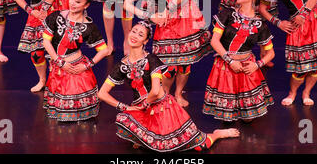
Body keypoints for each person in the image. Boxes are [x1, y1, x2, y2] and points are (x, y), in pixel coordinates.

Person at [98, 21, 240, 152]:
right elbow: (102, 93)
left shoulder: (151, 59)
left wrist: (144, 104)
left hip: (161, 107)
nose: (135, 36)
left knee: (198, 146)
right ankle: (143, 139)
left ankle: (217, 134)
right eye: (133, 31)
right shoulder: (121, 66)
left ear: (145, 41)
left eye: (140, 34)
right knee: (122, 118)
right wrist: (126, 107)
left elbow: (154, 91)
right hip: (142, 110)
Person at [203, 0, 275, 122]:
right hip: (226, 65)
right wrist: (230, 61)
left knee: (248, 119)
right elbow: (214, 41)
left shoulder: (260, 24)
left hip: (246, 68)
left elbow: (271, 53)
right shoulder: (227, 14)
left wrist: (257, 65)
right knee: (227, 117)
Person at [42, 0, 109, 121]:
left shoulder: (88, 27)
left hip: (75, 66)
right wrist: (59, 61)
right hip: (59, 65)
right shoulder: (56, 16)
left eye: (77, 1)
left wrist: (87, 65)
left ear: (86, 5)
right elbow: (46, 41)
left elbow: (104, 50)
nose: (72, 3)